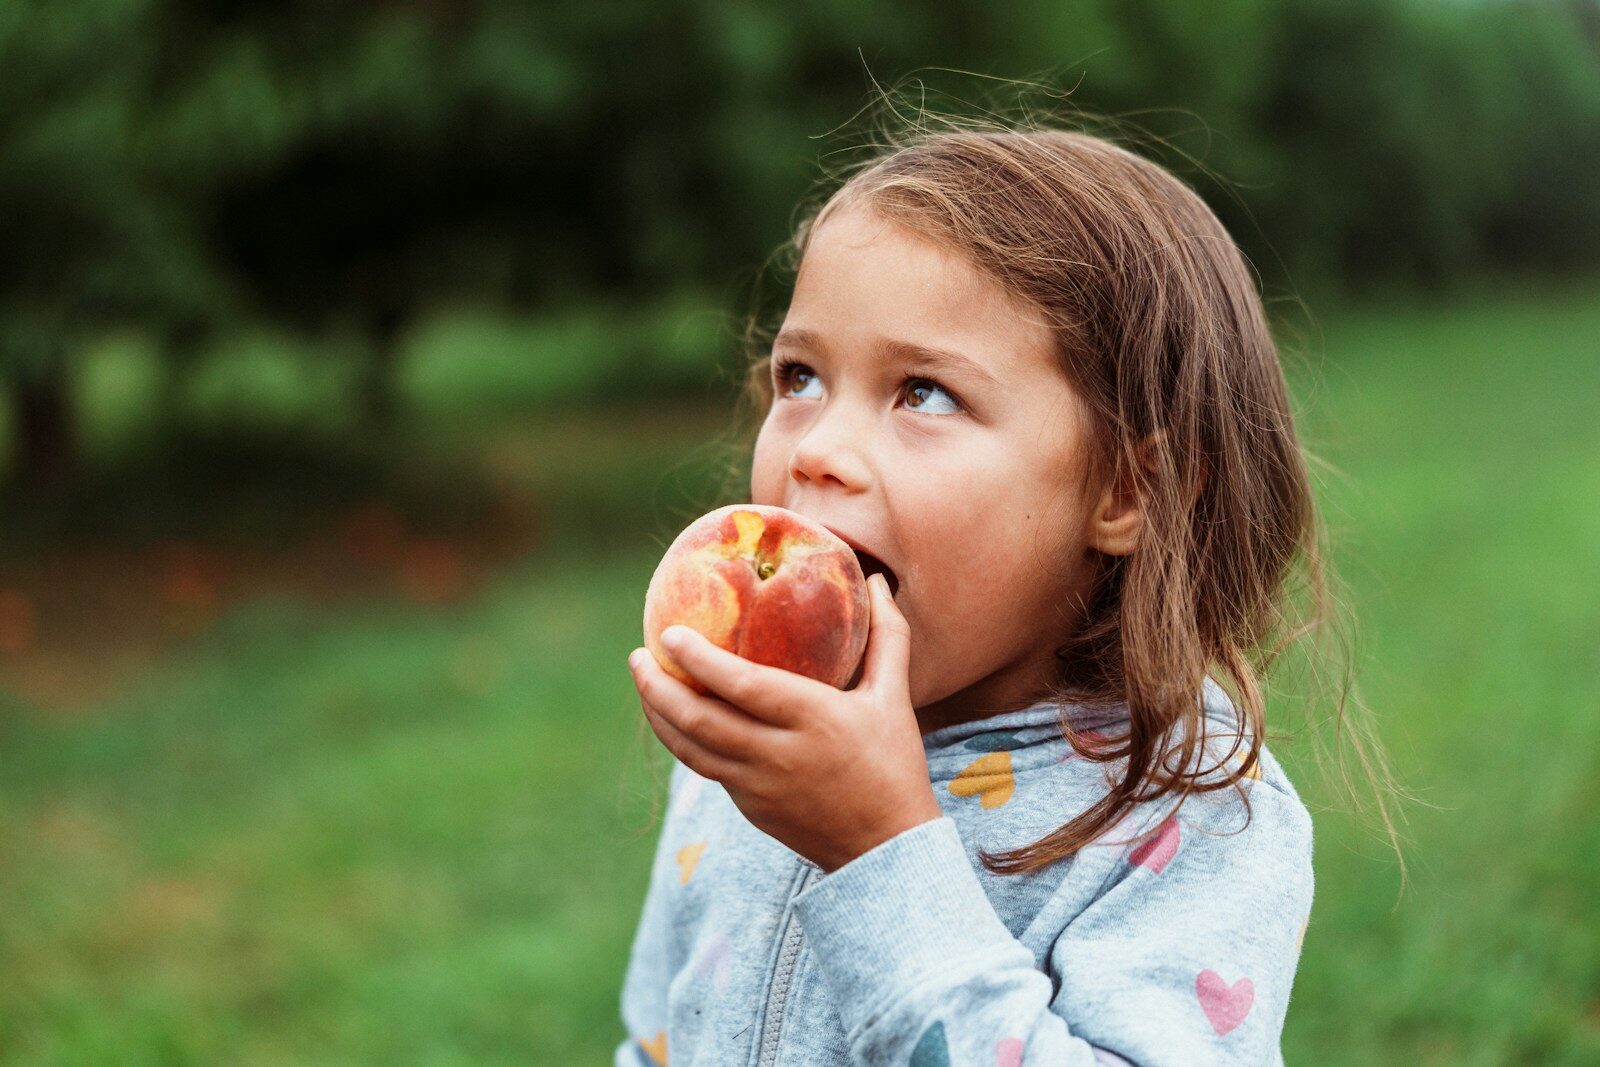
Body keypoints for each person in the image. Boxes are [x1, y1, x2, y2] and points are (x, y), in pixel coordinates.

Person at [616, 115, 1396, 1065]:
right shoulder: (754, 731)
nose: (817, 449)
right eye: (801, 375)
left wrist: (879, 851)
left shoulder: (1183, 809)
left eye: (924, 393)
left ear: (1127, 490)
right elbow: (657, 1037)